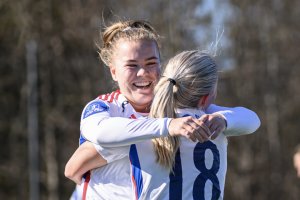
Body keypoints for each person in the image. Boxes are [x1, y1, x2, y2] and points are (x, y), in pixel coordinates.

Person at [65, 20, 260, 199]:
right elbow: (79, 161)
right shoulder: (105, 107)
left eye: (151, 63)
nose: (143, 72)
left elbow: (249, 118)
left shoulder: (176, 108)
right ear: (114, 71)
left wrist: (223, 120)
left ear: (161, 65)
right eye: (131, 65)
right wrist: (168, 126)